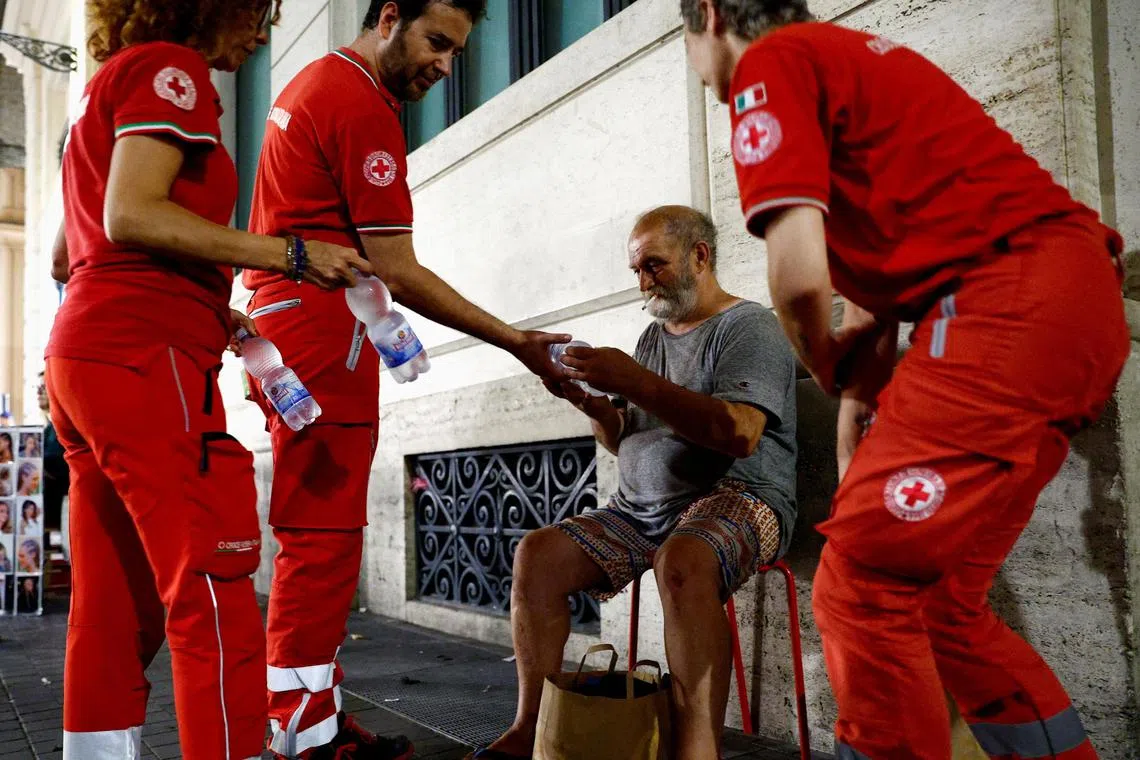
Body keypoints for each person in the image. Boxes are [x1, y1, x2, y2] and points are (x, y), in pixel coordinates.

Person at [682, 1, 1130, 758]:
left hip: (1004, 303)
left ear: (711, 15)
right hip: (1069, 306)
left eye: (687, 47)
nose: (701, 79)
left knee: (859, 586)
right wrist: (859, 406)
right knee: (945, 607)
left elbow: (798, 286)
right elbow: (880, 322)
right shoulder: (851, 62)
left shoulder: (774, 60)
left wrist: (825, 368)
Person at [44, 1, 371, 758]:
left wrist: (207, 304)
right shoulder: (171, 69)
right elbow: (131, 215)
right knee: (213, 591)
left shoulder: (106, 86)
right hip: (141, 359)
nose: (261, 33)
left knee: (113, 605)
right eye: (255, 9)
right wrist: (287, 254)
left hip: (91, 359)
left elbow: (73, 256)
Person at [244, 2, 569, 757]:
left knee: (316, 537)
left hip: (292, 325)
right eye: (436, 42)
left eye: (457, 52)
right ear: (389, 17)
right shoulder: (359, 101)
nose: (445, 65)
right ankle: (300, 737)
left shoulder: (316, 82)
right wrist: (517, 342)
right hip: (320, 334)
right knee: (322, 540)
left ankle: (311, 718)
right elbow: (395, 268)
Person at [476, 206, 798, 760]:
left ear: (700, 256)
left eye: (655, 265)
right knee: (538, 555)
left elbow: (741, 434)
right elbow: (622, 437)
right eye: (638, 271)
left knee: (682, 560)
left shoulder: (748, 327)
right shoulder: (652, 338)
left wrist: (635, 380)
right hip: (639, 512)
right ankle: (530, 727)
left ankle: (698, 752)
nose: (644, 282)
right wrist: (595, 406)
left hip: (741, 499)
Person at [37, 372, 68, 530]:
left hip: (61, 512)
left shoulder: (64, 426)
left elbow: (58, 464)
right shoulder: (49, 428)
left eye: (43, 387)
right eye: (38, 387)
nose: (38, 392)